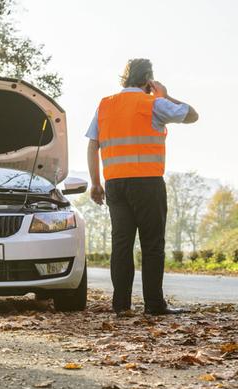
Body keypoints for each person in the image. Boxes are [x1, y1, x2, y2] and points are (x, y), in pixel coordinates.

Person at [86, 58, 199, 316]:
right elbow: (192, 115)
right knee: (152, 244)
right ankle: (154, 305)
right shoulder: (154, 104)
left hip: (115, 183)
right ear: (148, 79)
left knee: (122, 244)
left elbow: (94, 144)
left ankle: (121, 306)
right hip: (147, 182)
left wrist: (95, 183)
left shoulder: (105, 105)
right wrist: (166, 95)